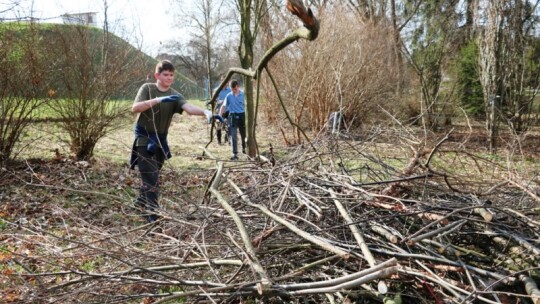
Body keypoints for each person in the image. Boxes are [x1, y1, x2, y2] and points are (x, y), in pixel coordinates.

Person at [130, 60, 212, 222]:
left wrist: (206, 112)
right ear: (157, 75)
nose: (169, 78)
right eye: (165, 75)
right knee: (151, 178)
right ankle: (152, 214)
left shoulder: (175, 95)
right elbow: (135, 108)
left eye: (171, 75)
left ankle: (140, 203)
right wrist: (158, 100)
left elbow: (188, 108)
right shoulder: (147, 89)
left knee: (152, 176)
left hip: (160, 141)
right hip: (144, 139)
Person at [219, 80, 245, 160]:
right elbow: (223, 106)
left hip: (242, 116)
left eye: (235, 89)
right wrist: (219, 116)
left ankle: (245, 151)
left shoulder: (244, 95)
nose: (234, 91)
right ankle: (235, 154)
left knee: (244, 135)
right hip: (233, 116)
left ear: (238, 87)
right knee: (233, 135)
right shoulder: (229, 96)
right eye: (232, 89)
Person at [214, 78, 231, 145]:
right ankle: (219, 141)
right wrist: (219, 101)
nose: (226, 84)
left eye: (227, 83)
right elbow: (214, 100)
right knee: (219, 126)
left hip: (228, 110)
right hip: (219, 111)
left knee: (229, 125)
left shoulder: (229, 90)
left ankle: (227, 139)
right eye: (225, 83)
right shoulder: (216, 90)